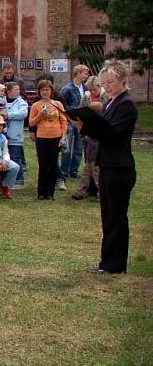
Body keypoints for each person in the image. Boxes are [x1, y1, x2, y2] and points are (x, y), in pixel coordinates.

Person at [71, 61, 137, 274]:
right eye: (104, 82)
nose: (107, 86)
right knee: (108, 216)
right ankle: (107, 262)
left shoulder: (126, 103)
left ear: (123, 80)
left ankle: (114, 265)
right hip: (108, 164)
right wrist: (84, 126)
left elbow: (113, 133)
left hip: (119, 167)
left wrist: (88, 127)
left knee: (116, 217)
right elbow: (104, 129)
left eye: (111, 82)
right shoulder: (111, 102)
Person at [28, 79, 68, 201]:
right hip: (42, 136)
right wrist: (40, 115)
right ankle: (41, 192)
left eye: (47, 89)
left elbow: (64, 121)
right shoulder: (36, 105)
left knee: (53, 165)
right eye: (43, 90)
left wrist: (63, 137)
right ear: (39, 92)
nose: (45, 92)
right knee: (43, 165)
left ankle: (50, 192)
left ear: (51, 91)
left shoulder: (58, 104)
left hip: (55, 136)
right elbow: (31, 122)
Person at [72, 76, 106, 200]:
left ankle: (99, 191)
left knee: (96, 166)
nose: (92, 92)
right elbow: (81, 112)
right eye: (90, 90)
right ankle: (85, 190)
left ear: (99, 87)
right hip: (87, 135)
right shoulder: (85, 97)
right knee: (88, 164)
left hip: (99, 136)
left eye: (94, 90)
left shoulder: (105, 97)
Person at [59, 64, 90, 178]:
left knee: (78, 146)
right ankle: (64, 170)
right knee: (67, 146)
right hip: (70, 121)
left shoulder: (86, 88)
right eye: (85, 73)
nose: (86, 75)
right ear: (78, 73)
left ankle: (74, 170)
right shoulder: (67, 89)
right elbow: (62, 105)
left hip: (82, 121)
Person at [4, 81, 28, 188]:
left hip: (15, 135)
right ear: (8, 91)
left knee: (15, 158)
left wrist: (8, 115)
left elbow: (22, 114)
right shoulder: (2, 101)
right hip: (3, 134)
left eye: (19, 89)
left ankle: (19, 180)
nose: (18, 91)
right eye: (15, 89)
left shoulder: (21, 102)